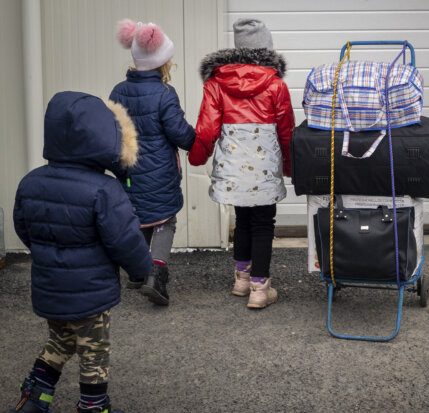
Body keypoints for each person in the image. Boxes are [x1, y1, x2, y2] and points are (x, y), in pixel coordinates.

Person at [10, 91, 152, 413]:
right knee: (94, 351)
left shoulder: (31, 183)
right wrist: (142, 269)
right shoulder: (104, 189)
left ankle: (33, 403)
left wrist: (49, 251)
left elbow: (23, 227)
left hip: (50, 285)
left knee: (60, 341)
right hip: (91, 293)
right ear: (102, 137)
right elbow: (125, 240)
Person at [188, 18, 295, 308]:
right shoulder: (275, 85)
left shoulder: (216, 83)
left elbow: (207, 128)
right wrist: (290, 165)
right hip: (264, 167)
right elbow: (286, 130)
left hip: (235, 166)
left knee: (244, 219)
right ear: (266, 49)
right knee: (263, 222)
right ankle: (260, 288)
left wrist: (197, 156)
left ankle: (242, 280)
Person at [110, 19, 196, 305]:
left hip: (128, 170)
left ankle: (136, 272)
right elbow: (178, 132)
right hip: (159, 172)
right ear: (162, 63)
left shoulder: (118, 91)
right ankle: (156, 274)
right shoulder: (164, 93)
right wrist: (197, 140)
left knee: (138, 217)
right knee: (164, 220)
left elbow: (113, 130)